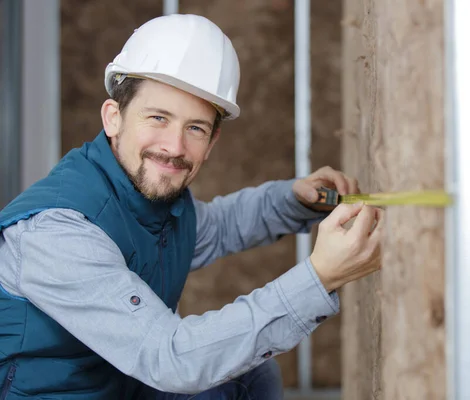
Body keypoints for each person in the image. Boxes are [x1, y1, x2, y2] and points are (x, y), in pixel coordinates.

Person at [0, 13, 382, 400]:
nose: (175, 147)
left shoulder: (148, 201)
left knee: (246, 376)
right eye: (158, 118)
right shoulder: (57, 231)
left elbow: (218, 227)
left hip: (115, 387)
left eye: (195, 128)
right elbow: (169, 359)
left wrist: (292, 200)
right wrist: (319, 278)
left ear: (212, 141)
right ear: (114, 118)